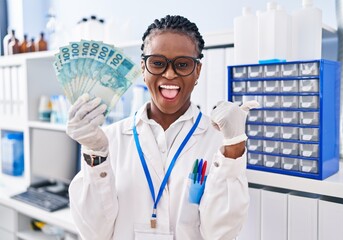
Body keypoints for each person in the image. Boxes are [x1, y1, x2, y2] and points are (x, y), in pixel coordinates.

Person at [66, 15, 259, 240]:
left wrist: (234, 149)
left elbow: (220, 235)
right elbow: (94, 233)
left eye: (183, 64)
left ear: (197, 71)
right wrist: (95, 155)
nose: (169, 74)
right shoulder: (110, 140)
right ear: (143, 67)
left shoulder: (218, 140)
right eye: (157, 63)